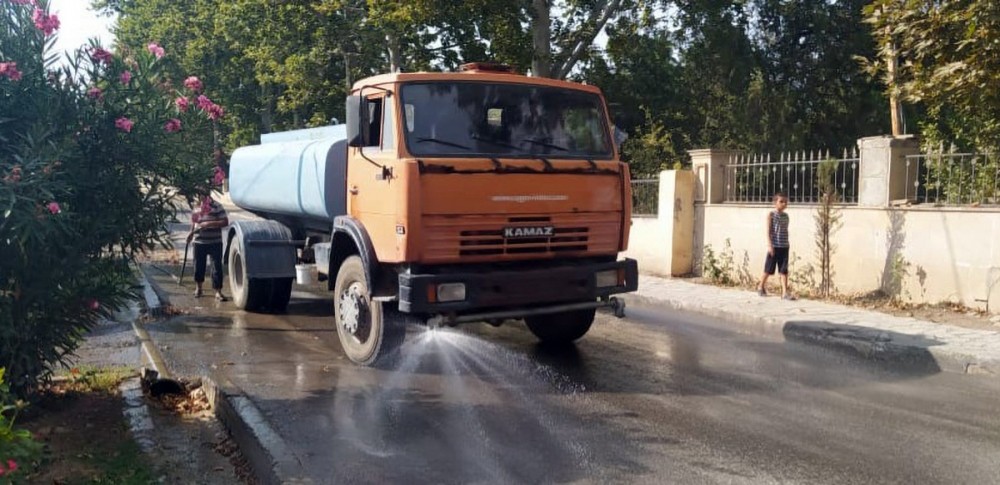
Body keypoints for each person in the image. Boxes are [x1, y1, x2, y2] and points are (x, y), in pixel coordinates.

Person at [187, 193, 229, 301]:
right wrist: (190, 233)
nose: (202, 197)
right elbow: (193, 221)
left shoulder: (217, 206)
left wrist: (209, 224)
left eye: (204, 195)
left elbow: (225, 221)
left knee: (216, 267)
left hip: (215, 242)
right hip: (199, 242)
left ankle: (218, 292)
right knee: (198, 266)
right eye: (199, 195)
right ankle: (198, 288)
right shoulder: (196, 207)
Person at [758, 192, 794, 300]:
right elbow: (769, 231)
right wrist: (770, 245)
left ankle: (784, 293)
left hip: (784, 246)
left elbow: (784, 230)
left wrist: (787, 243)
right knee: (769, 269)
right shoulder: (771, 215)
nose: (783, 204)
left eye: (785, 202)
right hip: (774, 246)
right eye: (781, 201)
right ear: (775, 203)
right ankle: (760, 286)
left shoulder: (786, 216)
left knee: (784, 270)